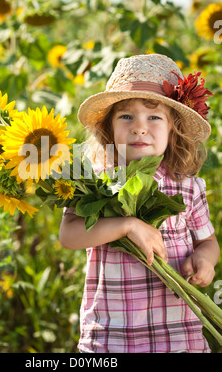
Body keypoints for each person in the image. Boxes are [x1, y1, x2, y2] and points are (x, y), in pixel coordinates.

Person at [59, 54, 220, 353]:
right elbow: (68, 235)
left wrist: (205, 261)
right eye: (126, 116)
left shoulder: (187, 185)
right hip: (111, 337)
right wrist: (127, 225)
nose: (139, 127)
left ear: (175, 129)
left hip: (178, 336)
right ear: (108, 128)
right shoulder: (95, 181)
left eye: (154, 117)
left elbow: (208, 242)